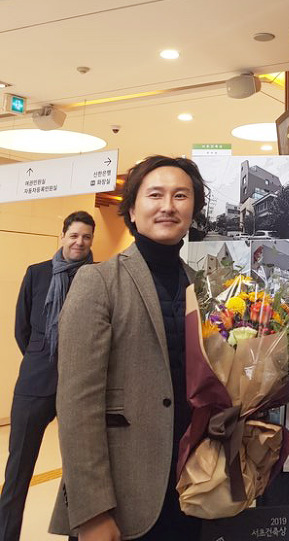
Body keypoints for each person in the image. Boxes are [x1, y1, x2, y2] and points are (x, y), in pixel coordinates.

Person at [49, 155, 207, 541]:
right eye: (155, 195)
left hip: (192, 486)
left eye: (181, 195)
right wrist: (92, 511)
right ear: (133, 211)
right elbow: (77, 404)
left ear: (193, 211)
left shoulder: (204, 286)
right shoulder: (98, 281)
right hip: (123, 494)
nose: (168, 206)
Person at [0, 211, 95, 541]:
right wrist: (43, 356)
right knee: (17, 470)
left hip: (80, 385)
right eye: (74, 235)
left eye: (86, 237)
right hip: (35, 381)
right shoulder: (37, 273)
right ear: (63, 235)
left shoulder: (98, 276)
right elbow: (22, 329)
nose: (79, 242)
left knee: (79, 474)